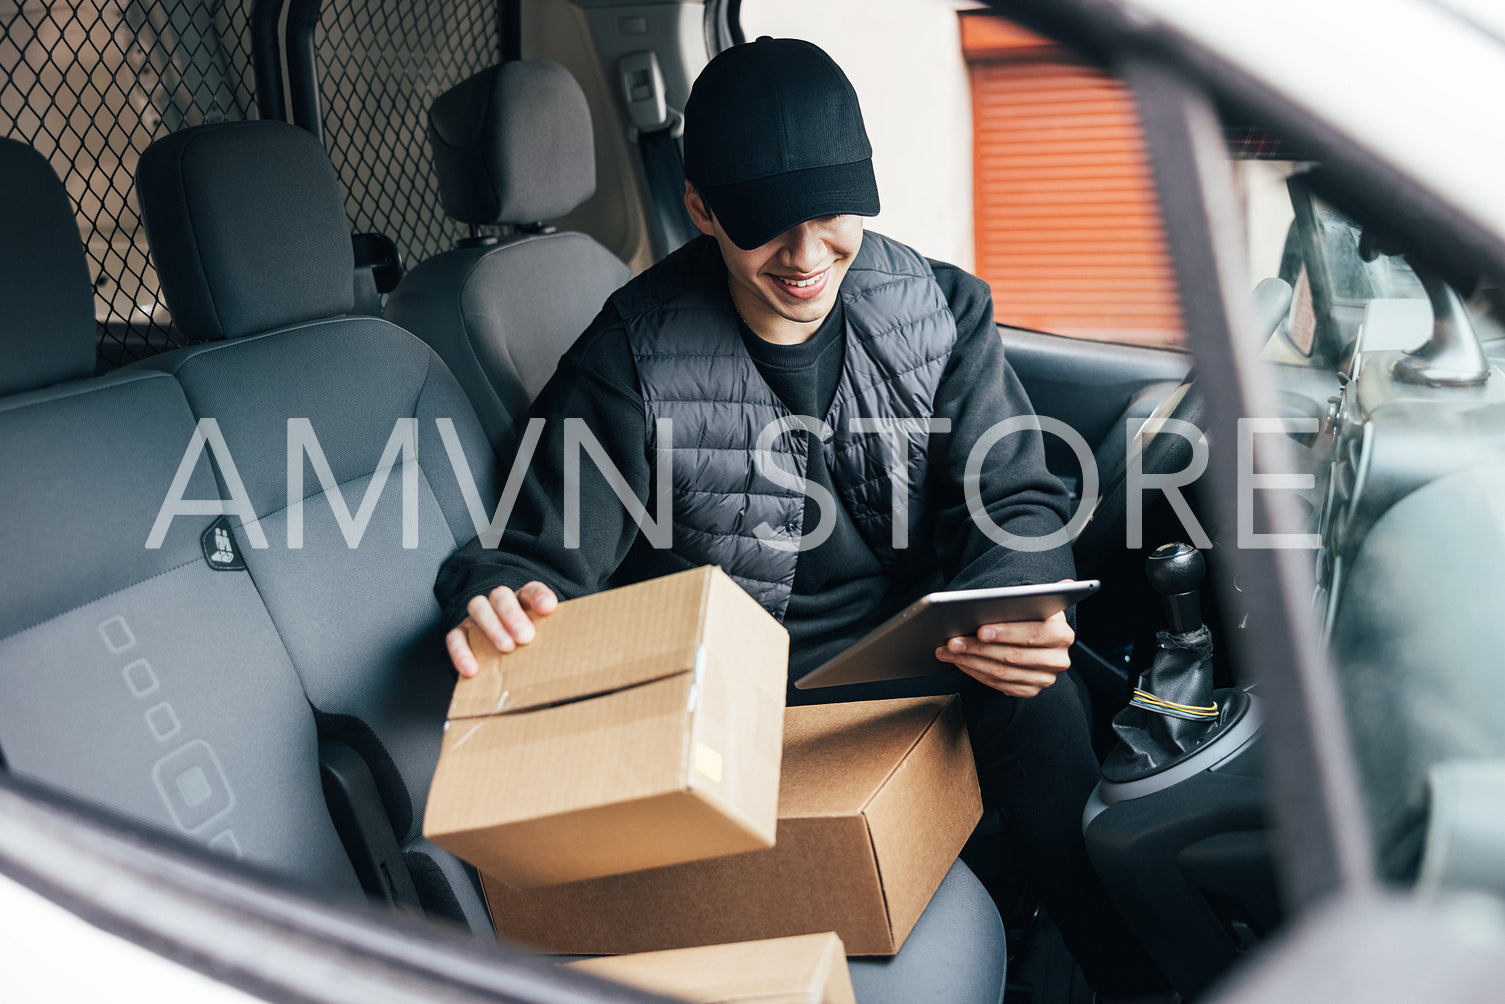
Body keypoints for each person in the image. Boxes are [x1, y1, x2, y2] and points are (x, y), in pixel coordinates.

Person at [435, 36, 1166, 1000]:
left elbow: (1015, 493)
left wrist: (1006, 601)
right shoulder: (627, 363)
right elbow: (533, 559)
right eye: (765, 227)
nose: (806, 254)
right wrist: (498, 595)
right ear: (700, 210)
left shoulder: (937, 309)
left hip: (926, 663)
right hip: (757, 713)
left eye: (831, 215)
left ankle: (1128, 976)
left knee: (1036, 682)